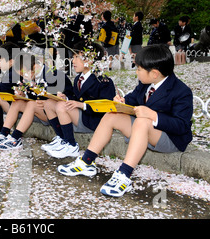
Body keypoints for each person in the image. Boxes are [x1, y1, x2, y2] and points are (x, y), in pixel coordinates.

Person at [57, 44, 193, 197]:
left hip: (170, 138)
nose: (136, 72)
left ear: (154, 73)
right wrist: (121, 101)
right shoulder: (145, 84)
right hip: (143, 132)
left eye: (139, 69)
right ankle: (87, 161)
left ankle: (124, 174)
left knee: (142, 121)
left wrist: (154, 116)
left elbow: (181, 125)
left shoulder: (181, 91)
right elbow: (132, 99)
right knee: (111, 115)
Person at [0, 50, 74, 151]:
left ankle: (16, 138)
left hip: (57, 113)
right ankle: (3, 134)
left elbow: (68, 97)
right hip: (41, 109)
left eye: (24, 74)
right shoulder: (32, 76)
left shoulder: (53, 75)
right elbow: (33, 97)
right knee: (18, 102)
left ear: (34, 67)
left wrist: (54, 99)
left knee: (32, 104)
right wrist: (24, 95)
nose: (23, 77)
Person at [42, 40, 115, 158]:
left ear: (90, 60)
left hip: (93, 120)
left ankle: (71, 145)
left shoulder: (103, 81)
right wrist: (66, 97)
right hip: (80, 115)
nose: (73, 60)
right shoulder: (78, 79)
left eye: (77, 57)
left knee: (61, 106)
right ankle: (62, 139)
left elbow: (106, 106)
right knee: (49, 103)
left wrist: (83, 105)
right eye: (73, 57)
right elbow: (76, 98)